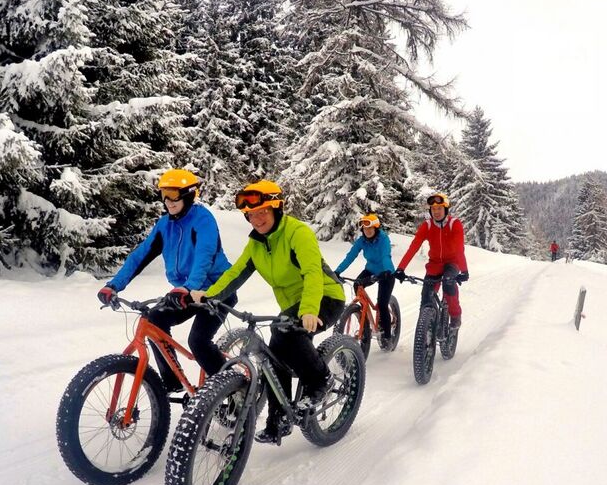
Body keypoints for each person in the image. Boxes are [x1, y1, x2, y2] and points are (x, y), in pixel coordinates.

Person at [190, 180, 346, 444]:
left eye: (262, 211)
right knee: (274, 355)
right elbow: (236, 273)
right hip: (292, 306)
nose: (257, 219)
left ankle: (321, 380)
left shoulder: (298, 233)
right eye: (251, 214)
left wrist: (309, 309)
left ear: (276, 208)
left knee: (283, 332)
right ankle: (279, 420)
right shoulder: (256, 244)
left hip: (325, 297)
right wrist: (210, 295)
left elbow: (312, 273)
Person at [96, 169, 236, 392]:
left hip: (217, 289)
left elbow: (205, 256)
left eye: (173, 194)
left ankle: (233, 390)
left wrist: (188, 287)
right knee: (154, 320)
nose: (168, 201)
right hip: (185, 291)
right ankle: (172, 384)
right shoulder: (165, 225)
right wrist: (114, 285)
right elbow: (140, 255)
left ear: (188, 195)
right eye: (164, 194)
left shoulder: (203, 219)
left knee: (198, 342)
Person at [393, 192, 468, 328]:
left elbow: (459, 250)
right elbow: (413, 247)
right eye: (433, 209)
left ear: (445, 209)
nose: (436, 212)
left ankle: (455, 315)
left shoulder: (454, 224)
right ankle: (425, 328)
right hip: (434, 264)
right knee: (426, 296)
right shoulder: (427, 226)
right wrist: (400, 268)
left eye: (439, 208)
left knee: (449, 284)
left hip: (452, 263)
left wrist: (464, 271)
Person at [334, 213, 396, 349]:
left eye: (370, 228)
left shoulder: (383, 239)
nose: (367, 231)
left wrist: (386, 271)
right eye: (364, 228)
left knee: (382, 304)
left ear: (376, 228)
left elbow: (385, 256)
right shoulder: (362, 241)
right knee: (357, 284)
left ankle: (387, 336)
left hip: (386, 273)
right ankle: (363, 316)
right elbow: (350, 256)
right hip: (371, 270)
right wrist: (337, 271)